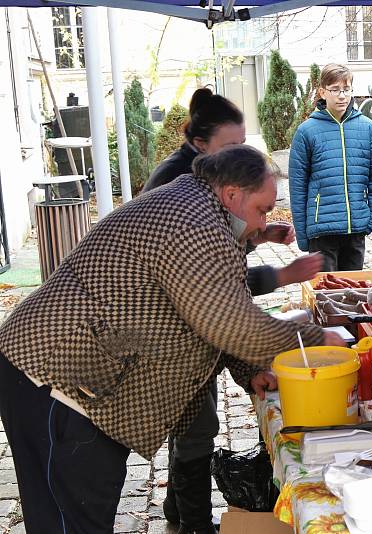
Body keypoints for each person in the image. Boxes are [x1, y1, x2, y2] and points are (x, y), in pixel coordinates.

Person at [0, 145, 345, 533]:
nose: (264, 224)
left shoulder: (205, 213)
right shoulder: (194, 222)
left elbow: (217, 303)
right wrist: (318, 337)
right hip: (56, 378)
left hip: (81, 382)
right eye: (262, 210)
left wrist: (248, 368)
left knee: (81, 514)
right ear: (232, 194)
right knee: (68, 521)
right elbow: (229, 322)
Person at [143, 88, 323, 533]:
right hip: (110, 362)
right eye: (232, 147)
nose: (240, 152)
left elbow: (213, 307)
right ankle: (193, 522)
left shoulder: (205, 196)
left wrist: (257, 234)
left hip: (179, 336)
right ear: (202, 147)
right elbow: (223, 312)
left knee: (193, 427)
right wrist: (318, 339)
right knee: (194, 428)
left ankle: (183, 515)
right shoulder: (186, 200)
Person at [289, 63, 372, 272]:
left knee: (353, 291)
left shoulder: (367, 128)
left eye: (346, 89)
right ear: (323, 92)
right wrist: (302, 233)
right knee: (325, 294)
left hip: (356, 228)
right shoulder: (307, 131)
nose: (342, 96)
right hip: (322, 231)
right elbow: (298, 185)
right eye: (335, 90)